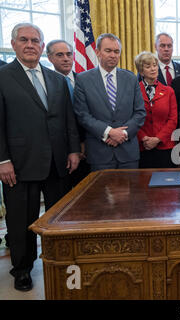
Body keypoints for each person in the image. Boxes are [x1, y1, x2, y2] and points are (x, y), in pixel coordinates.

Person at [0, 23, 80, 291]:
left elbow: (68, 119)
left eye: (35, 40)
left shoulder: (57, 79)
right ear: (14, 44)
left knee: (58, 219)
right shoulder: (3, 77)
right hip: (20, 164)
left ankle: (57, 263)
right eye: (24, 40)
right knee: (21, 219)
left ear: (42, 47)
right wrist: (2, 161)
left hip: (58, 162)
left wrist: (72, 150)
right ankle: (22, 268)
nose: (30, 44)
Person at [73, 33, 146, 171]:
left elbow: (140, 112)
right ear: (98, 52)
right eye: (108, 51)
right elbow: (83, 115)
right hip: (100, 154)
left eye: (116, 51)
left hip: (128, 154)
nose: (113, 55)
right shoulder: (83, 80)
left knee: (131, 192)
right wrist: (108, 132)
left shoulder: (130, 78)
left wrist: (122, 134)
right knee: (101, 193)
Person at [46, 39, 91, 185]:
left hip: (87, 149)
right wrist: (72, 147)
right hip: (60, 152)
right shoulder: (45, 85)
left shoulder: (85, 81)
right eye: (60, 55)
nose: (66, 59)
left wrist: (83, 142)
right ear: (50, 58)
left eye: (69, 54)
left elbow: (91, 114)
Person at [134, 51, 178, 168]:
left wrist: (158, 139)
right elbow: (131, 118)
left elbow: (173, 119)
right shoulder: (134, 90)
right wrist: (143, 138)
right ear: (141, 71)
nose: (153, 69)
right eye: (148, 66)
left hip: (165, 146)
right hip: (143, 146)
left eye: (154, 65)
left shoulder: (169, 91)